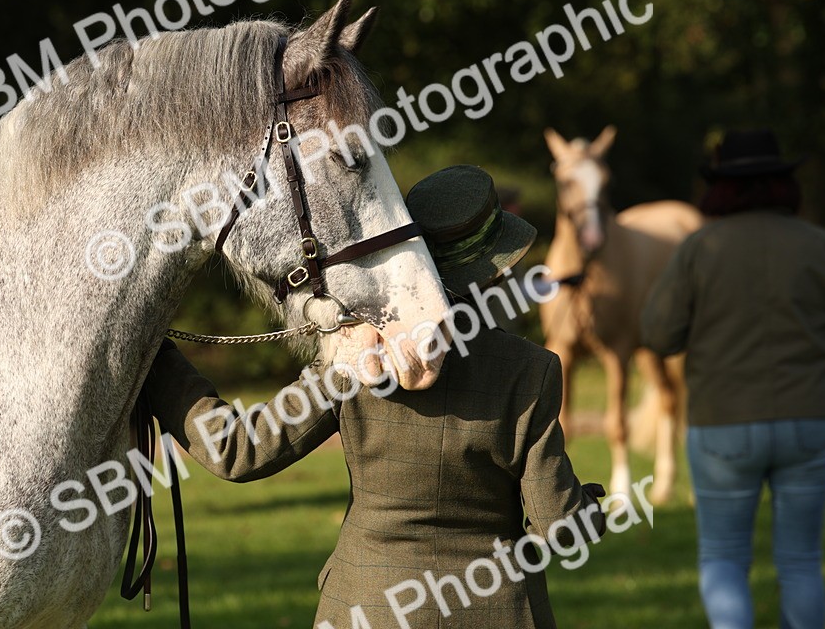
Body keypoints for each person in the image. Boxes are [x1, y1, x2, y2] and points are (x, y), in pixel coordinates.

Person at [146, 165, 605, 629]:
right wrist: (588, 507)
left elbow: (237, 452)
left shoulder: (353, 359)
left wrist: (153, 355)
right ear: (499, 268)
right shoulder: (531, 371)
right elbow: (560, 528)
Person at [642, 129, 825, 629]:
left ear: (721, 188)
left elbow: (658, 334)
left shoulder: (699, 249)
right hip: (810, 419)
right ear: (784, 184)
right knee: (801, 562)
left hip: (723, 424)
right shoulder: (821, 244)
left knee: (724, 559)